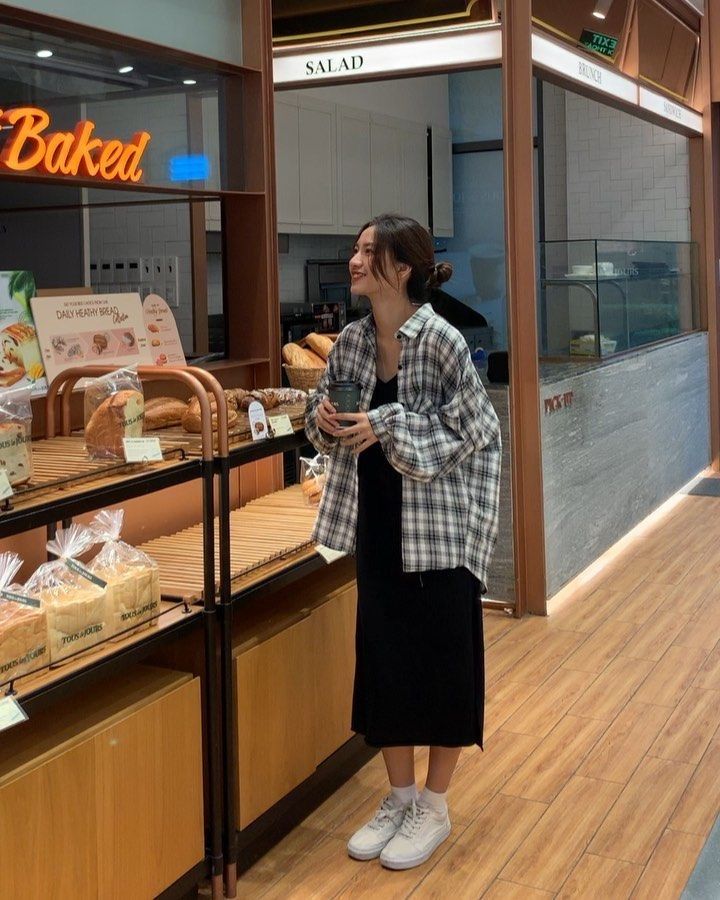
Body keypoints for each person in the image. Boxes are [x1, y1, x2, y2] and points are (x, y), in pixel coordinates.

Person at [305, 213, 501, 871]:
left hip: (441, 532)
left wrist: (387, 424)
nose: (355, 261)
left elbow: (477, 434)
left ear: (404, 267)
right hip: (376, 524)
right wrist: (326, 420)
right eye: (355, 249)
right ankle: (398, 796)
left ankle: (434, 807)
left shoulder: (442, 342)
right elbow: (321, 428)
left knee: (445, 665)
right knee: (386, 662)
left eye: (368, 251)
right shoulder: (352, 342)